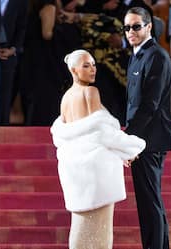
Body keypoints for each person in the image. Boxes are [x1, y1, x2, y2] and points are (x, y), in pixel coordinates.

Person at [50, 49, 146, 249]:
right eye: (86, 65)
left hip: (74, 171)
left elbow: (78, 134)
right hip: (96, 171)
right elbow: (102, 132)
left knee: (80, 226)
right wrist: (132, 148)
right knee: (100, 230)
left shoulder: (65, 98)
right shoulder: (90, 92)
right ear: (74, 70)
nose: (93, 69)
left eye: (93, 64)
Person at [123, 7, 171, 249]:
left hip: (149, 140)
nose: (130, 32)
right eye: (126, 27)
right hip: (142, 138)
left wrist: (129, 140)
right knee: (148, 202)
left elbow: (149, 104)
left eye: (136, 26)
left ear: (149, 26)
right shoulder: (137, 54)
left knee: (150, 202)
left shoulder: (156, 56)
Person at [0, 0, 28, 125]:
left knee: (5, 95)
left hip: (10, 54)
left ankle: (2, 129)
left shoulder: (21, 2)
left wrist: (13, 49)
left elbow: (22, 26)